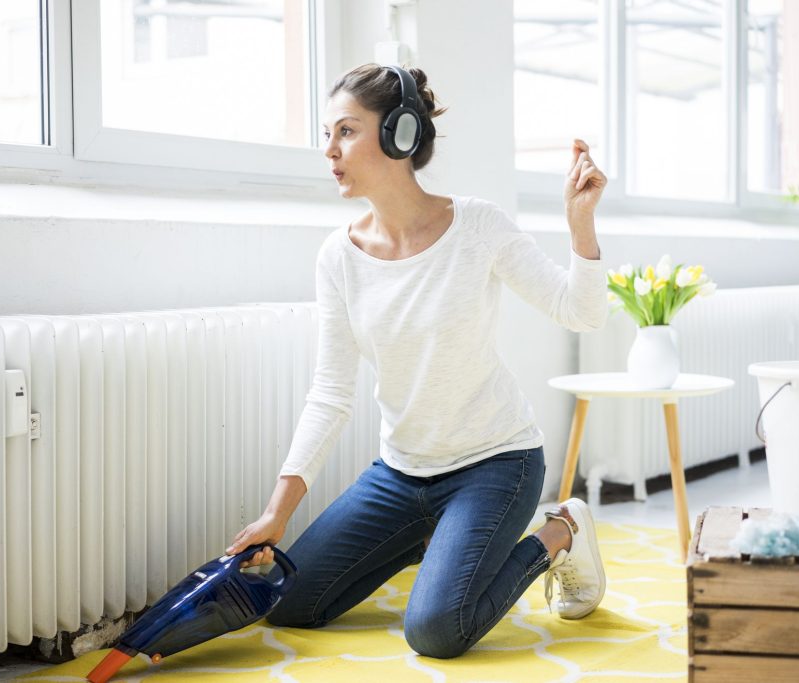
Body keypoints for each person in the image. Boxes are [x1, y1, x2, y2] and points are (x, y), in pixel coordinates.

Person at [224, 63, 609, 659]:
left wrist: (579, 225)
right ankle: (444, 543)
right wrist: (278, 514)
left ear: (400, 135)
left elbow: (578, 311)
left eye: (346, 131)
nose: (329, 150)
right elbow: (331, 392)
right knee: (292, 602)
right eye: (326, 134)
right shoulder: (339, 256)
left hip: (495, 464)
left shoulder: (477, 225)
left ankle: (560, 532)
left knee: (435, 631)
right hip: (401, 475)